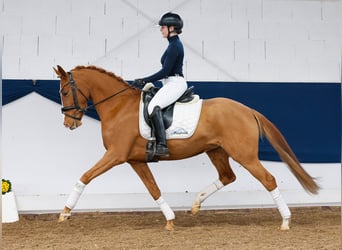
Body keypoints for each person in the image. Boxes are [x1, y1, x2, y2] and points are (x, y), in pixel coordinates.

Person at [133, 12, 187, 157]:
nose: (160, 30)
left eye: (163, 27)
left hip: (175, 83)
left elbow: (165, 71)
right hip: (169, 82)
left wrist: (145, 80)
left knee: (153, 107)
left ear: (172, 28)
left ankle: (162, 145)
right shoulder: (172, 45)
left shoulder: (175, 46)